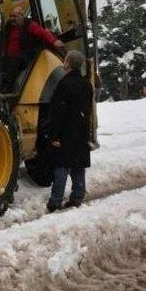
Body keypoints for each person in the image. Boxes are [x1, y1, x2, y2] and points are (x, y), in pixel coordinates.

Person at [46, 50, 94, 212]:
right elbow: (87, 110)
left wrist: (54, 134)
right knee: (78, 165)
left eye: (65, 60)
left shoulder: (64, 84)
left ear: (67, 63)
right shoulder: (87, 84)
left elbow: (57, 112)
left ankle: (55, 201)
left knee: (62, 166)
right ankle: (77, 196)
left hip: (66, 131)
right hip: (81, 131)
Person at [4, 4, 66, 91]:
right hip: (9, 57)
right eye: (10, 16)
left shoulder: (30, 25)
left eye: (15, 16)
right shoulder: (8, 27)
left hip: (25, 56)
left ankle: (9, 87)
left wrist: (54, 41)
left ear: (22, 16)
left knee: (14, 63)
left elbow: (43, 33)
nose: (12, 19)